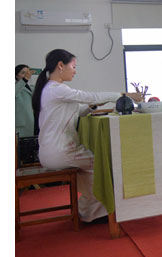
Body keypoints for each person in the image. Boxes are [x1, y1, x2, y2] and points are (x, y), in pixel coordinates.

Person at [32, 49, 143, 222]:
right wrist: (125, 95)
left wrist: (92, 106)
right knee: (103, 165)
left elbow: (78, 111)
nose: (75, 71)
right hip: (60, 152)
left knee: (92, 168)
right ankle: (97, 211)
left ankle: (89, 210)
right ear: (60, 65)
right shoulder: (56, 89)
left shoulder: (50, 89)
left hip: (50, 151)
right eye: (73, 67)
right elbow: (89, 96)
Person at [16, 64, 35, 138]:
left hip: (32, 123)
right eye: (23, 73)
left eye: (28, 73)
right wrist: (24, 80)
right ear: (16, 75)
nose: (26, 75)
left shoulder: (31, 87)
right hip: (20, 126)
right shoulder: (15, 87)